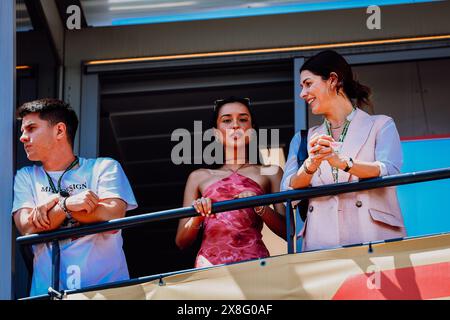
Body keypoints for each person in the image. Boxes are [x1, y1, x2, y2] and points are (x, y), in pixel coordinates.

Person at [281, 50, 406, 252]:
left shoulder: (381, 125)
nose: (302, 94)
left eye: (308, 84)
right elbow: (288, 192)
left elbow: (389, 170)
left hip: (374, 239)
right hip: (321, 246)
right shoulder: (303, 139)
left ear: (332, 80)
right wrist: (310, 165)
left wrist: (343, 163)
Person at [12, 98, 137, 296]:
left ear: (59, 130)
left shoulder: (104, 167)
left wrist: (51, 211)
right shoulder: (26, 176)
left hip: (107, 291)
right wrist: (67, 205)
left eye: (31, 128)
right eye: (23, 131)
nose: (23, 137)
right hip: (48, 293)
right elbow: (27, 226)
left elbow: (113, 213)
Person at [175, 97, 286, 268]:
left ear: (253, 130)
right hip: (210, 265)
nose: (235, 125)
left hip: (255, 263)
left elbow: (288, 231)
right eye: (226, 120)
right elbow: (181, 241)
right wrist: (198, 215)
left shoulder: (271, 172)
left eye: (243, 119)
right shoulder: (198, 176)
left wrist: (260, 207)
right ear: (216, 133)